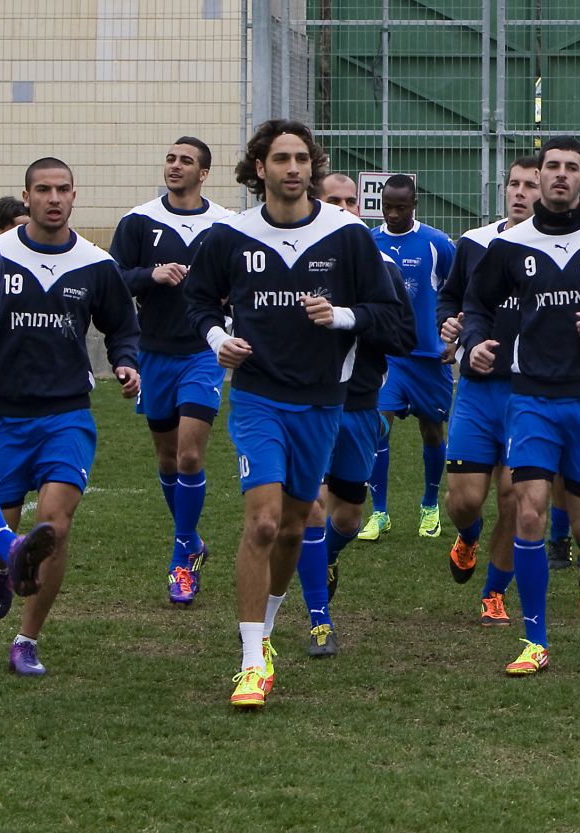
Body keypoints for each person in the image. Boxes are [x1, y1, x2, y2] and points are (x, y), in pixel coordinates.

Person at [184, 119, 402, 708]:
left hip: (323, 400)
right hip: (257, 396)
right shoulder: (231, 236)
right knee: (261, 521)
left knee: (294, 523)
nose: (293, 168)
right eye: (281, 158)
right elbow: (196, 300)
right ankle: (251, 660)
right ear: (260, 168)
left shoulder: (348, 236)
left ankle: (269, 626)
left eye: (302, 158)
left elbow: (392, 317)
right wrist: (214, 338)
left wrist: (341, 317)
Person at [459, 136, 580, 675]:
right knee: (528, 509)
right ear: (539, 177)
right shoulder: (510, 246)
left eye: (572, 168)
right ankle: (535, 640)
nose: (561, 176)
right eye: (552, 167)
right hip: (531, 397)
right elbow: (476, 304)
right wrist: (473, 341)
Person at [0, 157, 142, 675]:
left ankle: (26, 640)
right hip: (1, 417)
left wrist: (126, 362)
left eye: (63, 190)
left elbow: (122, 326)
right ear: (26, 197)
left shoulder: (96, 265)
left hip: (66, 415)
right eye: (43, 190)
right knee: (4, 535)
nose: (54, 198)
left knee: (54, 525)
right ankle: (0, 570)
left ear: (74, 196)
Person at [290, 172, 416, 658]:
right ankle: (320, 621)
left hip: (361, 402)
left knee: (347, 516)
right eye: (332, 199)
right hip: (305, 401)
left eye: (350, 200)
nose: (344, 206)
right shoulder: (294, 262)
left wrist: (354, 316)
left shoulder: (380, 265)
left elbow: (403, 336)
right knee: (311, 507)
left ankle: (324, 560)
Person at [108, 137, 233, 605]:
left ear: (204, 173)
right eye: (171, 158)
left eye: (186, 161)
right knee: (165, 460)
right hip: (153, 352)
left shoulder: (225, 225)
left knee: (189, 457)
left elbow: (242, 279)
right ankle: (193, 537)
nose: (175, 166)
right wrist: (150, 275)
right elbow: (112, 279)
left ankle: (182, 556)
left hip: (203, 352)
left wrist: (228, 300)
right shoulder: (139, 221)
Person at [437, 155, 539, 625]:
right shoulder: (476, 243)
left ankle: (494, 592)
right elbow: (451, 297)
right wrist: (449, 324)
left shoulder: (561, 249)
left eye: (530, 185)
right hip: (478, 392)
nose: (520, 192)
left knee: (515, 497)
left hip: (530, 393)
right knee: (464, 501)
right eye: (514, 184)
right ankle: (469, 536)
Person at [358, 175, 457, 542]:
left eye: (401, 207)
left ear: (414, 204)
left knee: (432, 429)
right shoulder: (369, 242)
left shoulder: (437, 243)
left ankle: (429, 504)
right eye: (387, 207)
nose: (393, 214)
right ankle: (379, 512)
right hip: (388, 356)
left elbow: (456, 290)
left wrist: (454, 338)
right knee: (377, 426)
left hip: (429, 358)